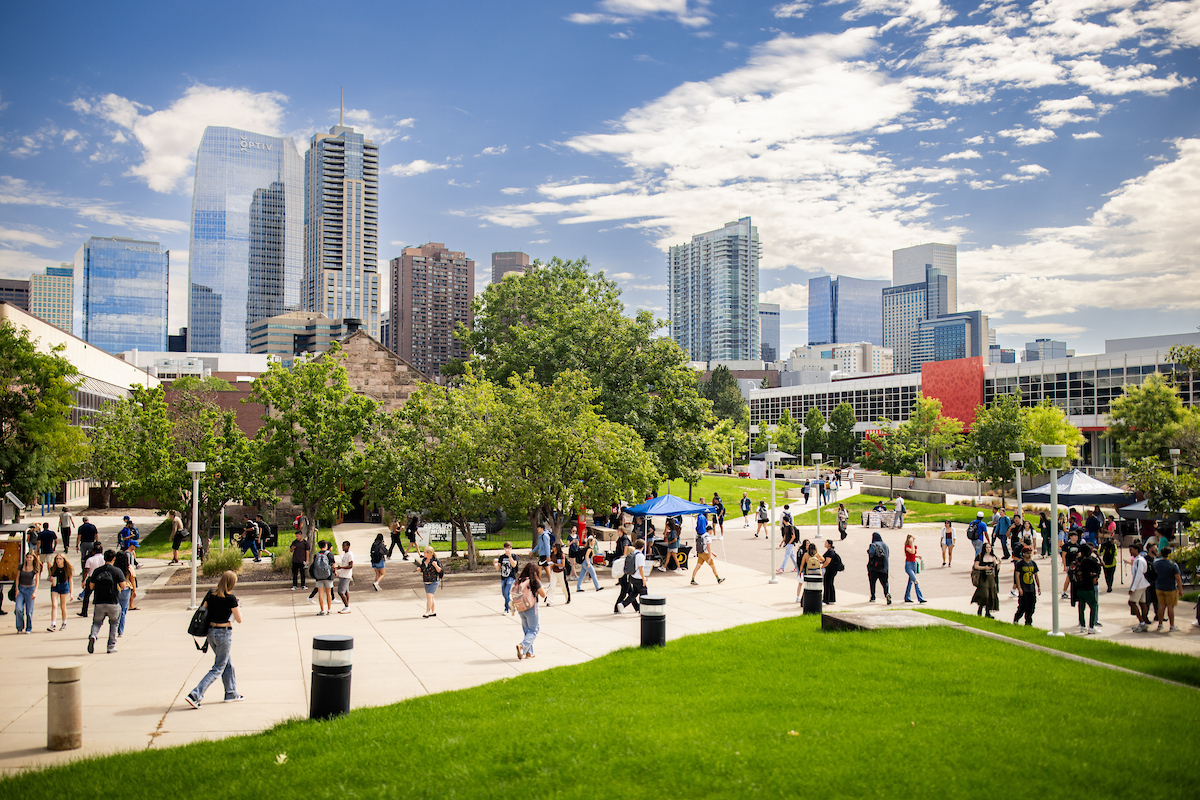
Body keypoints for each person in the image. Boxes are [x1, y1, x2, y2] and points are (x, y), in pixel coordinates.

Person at [184, 570, 244, 708]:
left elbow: (202, 610)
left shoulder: (211, 594)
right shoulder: (231, 599)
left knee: (227, 663)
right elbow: (239, 619)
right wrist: (238, 608)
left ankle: (231, 692)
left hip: (211, 633)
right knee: (218, 667)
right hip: (224, 633)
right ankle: (196, 694)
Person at [87, 550, 127, 654]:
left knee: (96, 622)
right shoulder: (117, 571)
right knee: (114, 623)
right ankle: (111, 646)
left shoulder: (97, 571)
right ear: (114, 559)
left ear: (104, 558)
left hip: (99, 601)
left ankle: (93, 635)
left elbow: (91, 586)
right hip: (112, 601)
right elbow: (123, 586)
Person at [514, 562, 546, 660]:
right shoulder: (534, 581)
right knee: (534, 630)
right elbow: (543, 594)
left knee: (527, 630)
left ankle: (529, 652)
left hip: (521, 607)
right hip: (531, 607)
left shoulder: (520, 580)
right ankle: (522, 646)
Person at [1152, 547, 1184, 632]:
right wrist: (1180, 589)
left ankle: (1160, 624)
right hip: (1170, 587)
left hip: (1159, 586)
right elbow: (1178, 578)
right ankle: (1172, 625)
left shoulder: (1156, 563)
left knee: (1161, 606)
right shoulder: (1173, 564)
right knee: (1170, 606)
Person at [1074, 543, 1102, 634]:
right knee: (1093, 606)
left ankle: (1083, 626)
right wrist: (1097, 554)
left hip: (1079, 587)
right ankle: (1091, 627)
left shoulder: (1078, 561)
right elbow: (1101, 565)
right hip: (1089, 586)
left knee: (1081, 607)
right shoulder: (1091, 561)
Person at [971, 541, 1000, 618]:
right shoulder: (980, 556)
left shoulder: (993, 557)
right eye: (987, 547)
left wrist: (999, 563)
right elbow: (976, 566)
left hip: (991, 578)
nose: (988, 549)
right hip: (983, 577)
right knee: (984, 594)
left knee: (991, 594)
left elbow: (996, 568)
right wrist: (984, 568)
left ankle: (988, 612)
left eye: (989, 547)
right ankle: (980, 610)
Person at [690, 520, 724, 586]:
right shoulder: (708, 538)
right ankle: (718, 579)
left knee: (697, 566)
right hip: (705, 554)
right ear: (710, 530)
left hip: (700, 553)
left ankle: (692, 579)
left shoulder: (702, 536)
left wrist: (713, 553)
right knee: (713, 567)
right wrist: (710, 557)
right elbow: (708, 548)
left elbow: (704, 546)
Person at [1012, 546, 1040, 625]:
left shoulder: (1033, 564)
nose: (1029, 555)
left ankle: (1028, 622)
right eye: (1028, 553)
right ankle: (1017, 618)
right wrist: (1019, 588)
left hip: (1031, 588)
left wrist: (1039, 587)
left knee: (1031, 606)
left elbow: (1036, 575)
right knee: (1023, 606)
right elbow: (1017, 576)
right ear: (1023, 554)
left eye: (1030, 553)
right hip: (1024, 588)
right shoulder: (1020, 564)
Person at [46, 553, 73, 632]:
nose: (58, 560)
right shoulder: (53, 568)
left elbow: (70, 580)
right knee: (54, 605)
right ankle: (53, 624)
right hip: (55, 586)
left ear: (64, 560)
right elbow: (50, 577)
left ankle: (64, 623)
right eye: (57, 559)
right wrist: (50, 579)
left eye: (60, 559)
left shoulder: (67, 568)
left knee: (62, 606)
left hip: (64, 587)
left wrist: (71, 593)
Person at [14, 552, 39, 634]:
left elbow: (37, 581)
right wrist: (17, 589)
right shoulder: (21, 566)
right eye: (27, 557)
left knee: (29, 611)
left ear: (33, 558)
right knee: (18, 609)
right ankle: (20, 627)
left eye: (30, 557)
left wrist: (34, 592)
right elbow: (17, 578)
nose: (28, 559)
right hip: (21, 589)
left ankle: (29, 628)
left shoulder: (35, 567)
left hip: (30, 589)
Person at [1128, 544, 1151, 632]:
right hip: (1142, 584)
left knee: (1132, 602)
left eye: (1131, 549)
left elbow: (1138, 575)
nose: (1130, 551)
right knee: (1142, 603)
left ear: (1137, 550)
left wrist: (1132, 588)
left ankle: (1142, 622)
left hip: (1139, 585)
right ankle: (1143, 621)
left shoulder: (1139, 561)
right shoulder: (1138, 559)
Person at [77, 542, 104, 617]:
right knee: (100, 596)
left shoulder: (90, 559)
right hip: (102, 579)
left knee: (87, 596)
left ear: (94, 551)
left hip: (92, 578)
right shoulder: (104, 558)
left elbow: (86, 571)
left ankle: (84, 611)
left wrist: (83, 580)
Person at [310, 540, 336, 616]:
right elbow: (333, 565)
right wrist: (334, 572)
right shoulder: (330, 554)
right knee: (328, 593)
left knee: (320, 593)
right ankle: (329, 609)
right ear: (325, 545)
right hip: (328, 576)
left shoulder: (316, 555)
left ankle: (322, 610)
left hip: (318, 576)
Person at [114, 552, 136, 637]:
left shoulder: (115, 568)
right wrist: (134, 591)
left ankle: (114, 628)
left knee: (115, 610)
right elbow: (132, 580)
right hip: (126, 589)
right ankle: (121, 631)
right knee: (123, 611)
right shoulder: (129, 568)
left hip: (116, 589)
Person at [613, 545, 641, 613]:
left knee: (631, 593)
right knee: (624, 593)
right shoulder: (628, 560)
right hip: (626, 578)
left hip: (622, 577)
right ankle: (617, 608)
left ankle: (637, 607)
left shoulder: (623, 558)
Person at [417, 546, 443, 618]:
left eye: (425, 552)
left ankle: (427, 612)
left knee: (429, 595)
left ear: (429, 553)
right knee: (431, 597)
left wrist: (435, 565)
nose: (423, 553)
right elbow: (423, 568)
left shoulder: (435, 561)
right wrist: (420, 569)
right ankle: (433, 611)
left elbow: (440, 571)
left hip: (434, 580)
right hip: (426, 580)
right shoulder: (424, 561)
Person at [866, 532, 891, 604]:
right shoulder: (885, 545)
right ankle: (887, 594)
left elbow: (871, 554)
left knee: (872, 582)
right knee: (885, 582)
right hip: (884, 567)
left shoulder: (873, 545)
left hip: (874, 567)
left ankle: (873, 596)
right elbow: (887, 555)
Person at [798, 543, 823, 610]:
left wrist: (800, 572)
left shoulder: (806, 555)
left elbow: (802, 564)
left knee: (807, 588)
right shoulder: (817, 555)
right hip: (816, 573)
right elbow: (823, 560)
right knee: (815, 589)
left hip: (808, 573)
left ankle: (803, 601)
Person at [495, 541, 519, 613]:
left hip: (511, 576)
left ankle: (507, 609)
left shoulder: (514, 556)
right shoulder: (502, 557)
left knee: (506, 592)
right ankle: (511, 604)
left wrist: (510, 556)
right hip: (503, 576)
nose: (507, 549)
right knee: (504, 593)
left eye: (508, 548)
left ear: (511, 548)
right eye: (506, 548)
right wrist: (495, 564)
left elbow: (514, 565)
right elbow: (499, 568)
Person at [902, 534, 926, 604]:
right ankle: (920, 598)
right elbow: (912, 551)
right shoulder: (907, 547)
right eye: (913, 539)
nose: (914, 540)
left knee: (910, 582)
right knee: (916, 581)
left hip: (914, 564)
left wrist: (918, 556)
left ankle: (907, 597)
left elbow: (913, 554)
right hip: (909, 565)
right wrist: (912, 543)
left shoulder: (914, 546)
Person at [335, 540, 355, 613]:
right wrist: (339, 568)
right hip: (343, 574)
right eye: (342, 546)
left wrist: (342, 567)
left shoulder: (350, 554)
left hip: (346, 576)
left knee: (340, 591)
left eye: (344, 546)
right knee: (346, 591)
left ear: (348, 546)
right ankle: (346, 606)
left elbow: (350, 565)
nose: (343, 547)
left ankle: (347, 606)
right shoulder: (346, 554)